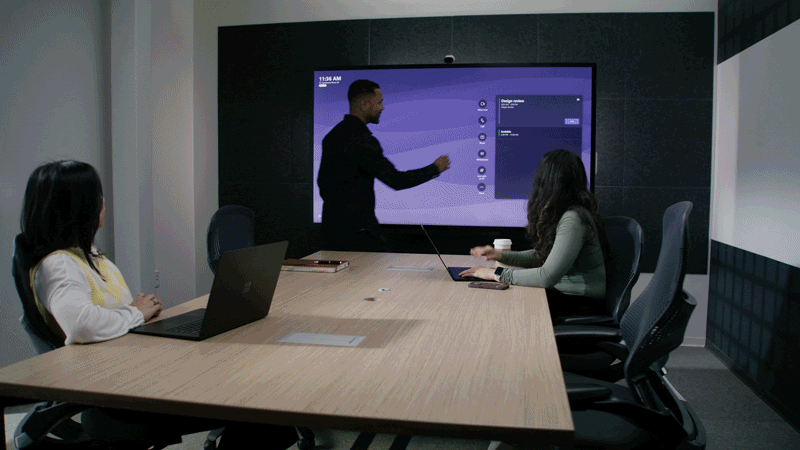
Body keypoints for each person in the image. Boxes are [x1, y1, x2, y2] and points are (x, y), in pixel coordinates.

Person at [20, 160, 298, 449]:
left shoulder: (89, 256)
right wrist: (135, 312)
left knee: (261, 395)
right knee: (261, 403)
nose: (103, 202)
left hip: (135, 371)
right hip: (124, 395)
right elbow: (81, 325)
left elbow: (112, 314)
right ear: (81, 206)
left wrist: (140, 313)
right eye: (97, 195)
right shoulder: (59, 265)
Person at [459, 149, 610, 318]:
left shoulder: (574, 219)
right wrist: (500, 255)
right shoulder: (569, 213)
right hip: (565, 297)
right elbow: (542, 256)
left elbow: (546, 276)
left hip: (580, 304)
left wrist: (495, 274)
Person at [318, 79, 451, 251]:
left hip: (331, 232)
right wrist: (434, 169)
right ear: (364, 104)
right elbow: (396, 180)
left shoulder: (332, 136)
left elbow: (323, 185)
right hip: (359, 234)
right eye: (379, 102)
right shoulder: (362, 140)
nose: (382, 107)